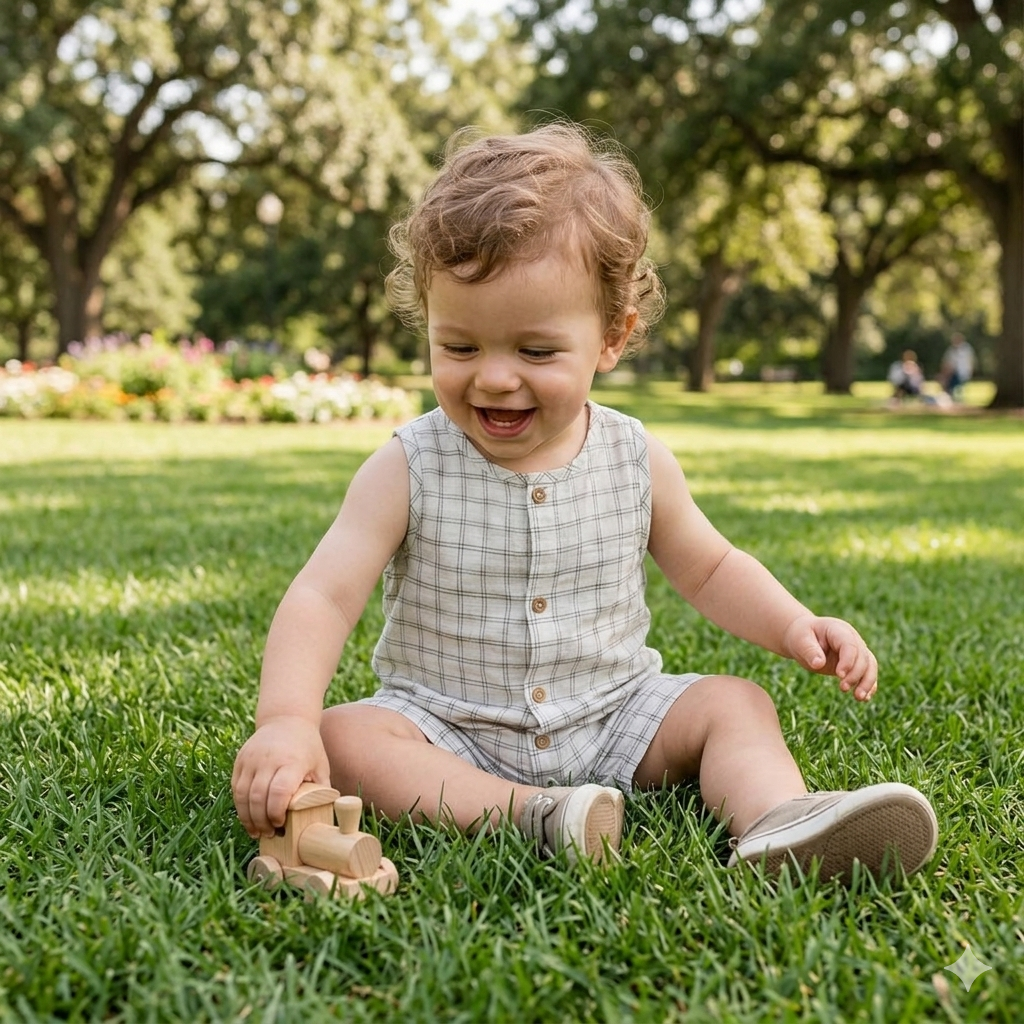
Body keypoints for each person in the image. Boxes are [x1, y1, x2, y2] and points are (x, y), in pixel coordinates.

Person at [232, 125, 938, 882]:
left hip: (616, 715)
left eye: (535, 352)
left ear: (611, 337)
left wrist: (795, 622)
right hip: (446, 725)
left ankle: (776, 822)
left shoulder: (636, 456)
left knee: (735, 703)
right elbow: (324, 596)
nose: (495, 379)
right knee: (346, 738)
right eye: (459, 348)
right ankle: (531, 815)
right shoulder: (407, 465)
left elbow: (710, 567)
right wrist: (285, 721)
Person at [939, 332, 975, 400]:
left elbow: (970, 361)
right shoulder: (951, 350)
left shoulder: (966, 349)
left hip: (962, 372)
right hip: (954, 372)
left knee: (952, 381)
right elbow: (947, 362)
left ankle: (950, 393)